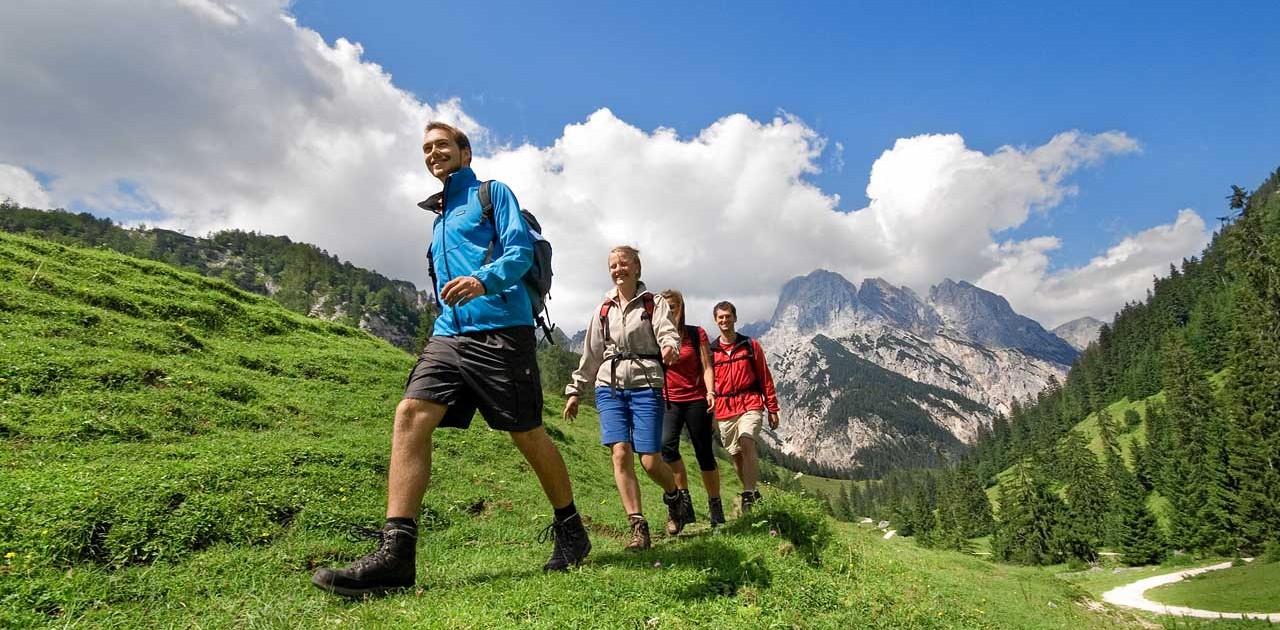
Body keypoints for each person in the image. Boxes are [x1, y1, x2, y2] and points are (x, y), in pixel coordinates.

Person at [312, 122, 590, 597]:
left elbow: (520, 251)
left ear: (464, 152)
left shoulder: (492, 193)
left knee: (526, 433)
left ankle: (571, 529)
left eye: (442, 145)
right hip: (449, 335)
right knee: (410, 415)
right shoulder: (439, 217)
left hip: (502, 328)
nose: (432, 153)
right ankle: (396, 555)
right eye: (426, 148)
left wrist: (484, 280)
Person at [563, 246, 692, 550]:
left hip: (646, 384)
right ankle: (638, 526)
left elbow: (667, 331)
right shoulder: (603, 309)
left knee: (649, 460)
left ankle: (675, 497)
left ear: (636, 267)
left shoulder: (653, 303)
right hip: (609, 386)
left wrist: (670, 346)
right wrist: (575, 391)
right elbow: (591, 354)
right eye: (613, 265)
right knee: (620, 453)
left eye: (623, 264)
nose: (618, 269)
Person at [657, 289, 725, 530]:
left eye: (673, 307)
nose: (669, 311)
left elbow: (708, 366)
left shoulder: (696, 334)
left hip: (697, 399)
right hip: (669, 401)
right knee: (667, 447)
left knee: (704, 452)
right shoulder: (656, 337)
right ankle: (682, 504)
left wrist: (710, 392)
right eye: (664, 307)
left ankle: (715, 505)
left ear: (681, 308)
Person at [708, 300, 780, 514]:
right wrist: (710, 414)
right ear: (715, 320)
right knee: (736, 454)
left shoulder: (750, 345)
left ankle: (747, 494)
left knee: (746, 439)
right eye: (720, 317)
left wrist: (772, 408)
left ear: (735, 318)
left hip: (750, 402)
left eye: (728, 316)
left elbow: (764, 376)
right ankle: (753, 491)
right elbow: (707, 383)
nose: (724, 320)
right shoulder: (711, 351)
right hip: (724, 408)